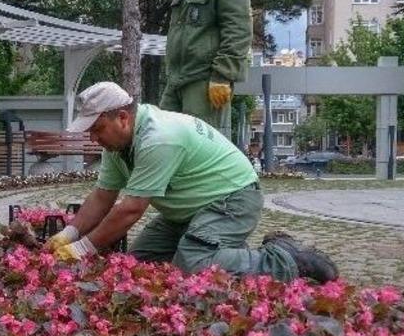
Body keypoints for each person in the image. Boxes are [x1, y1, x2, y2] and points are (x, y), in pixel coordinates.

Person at [46, 82, 338, 284]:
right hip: (187, 212)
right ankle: (226, 254)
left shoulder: (158, 138)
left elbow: (131, 210)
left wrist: (82, 249)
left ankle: (284, 258)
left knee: (192, 265)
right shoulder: (118, 145)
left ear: (122, 117)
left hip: (232, 199)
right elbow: (102, 197)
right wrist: (68, 234)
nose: (93, 139)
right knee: (138, 263)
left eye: (97, 130)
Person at [160, 0, 253, 140]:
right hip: (176, 80)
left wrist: (223, 75)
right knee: (163, 144)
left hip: (205, 80)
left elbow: (238, 26)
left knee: (203, 157)